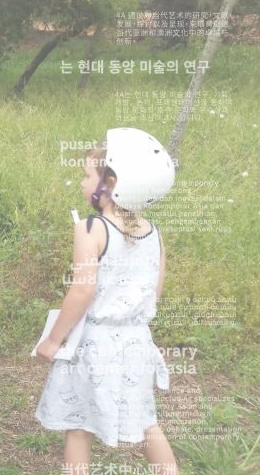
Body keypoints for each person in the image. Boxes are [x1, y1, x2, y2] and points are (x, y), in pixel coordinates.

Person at [35, 128, 178, 475]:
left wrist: (53, 339)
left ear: (110, 183)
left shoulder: (90, 228)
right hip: (137, 343)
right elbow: (153, 293)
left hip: (95, 345)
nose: (83, 183)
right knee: (147, 422)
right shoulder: (154, 233)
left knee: (79, 424)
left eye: (87, 176)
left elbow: (82, 291)